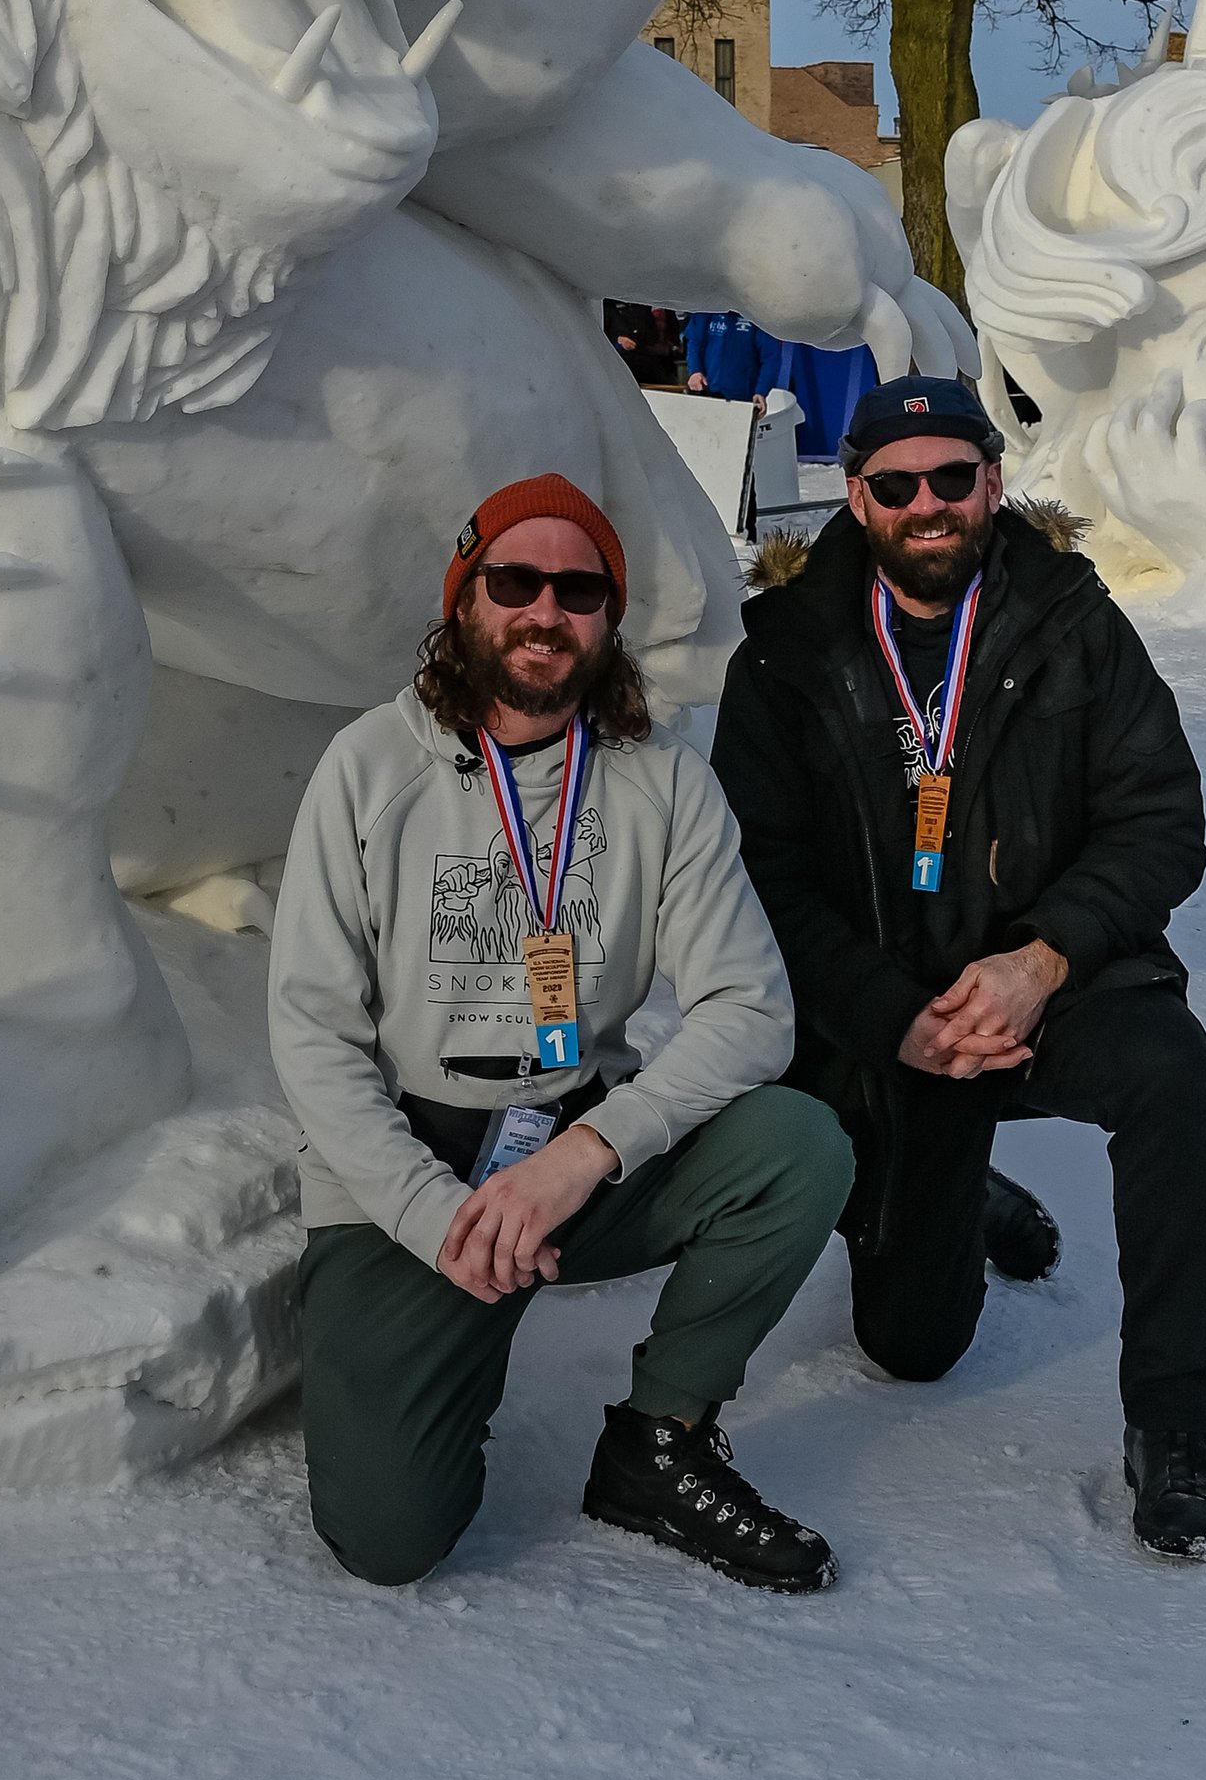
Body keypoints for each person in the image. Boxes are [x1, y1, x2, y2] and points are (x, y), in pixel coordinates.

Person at [270, 474, 853, 1594]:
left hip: (571, 1146)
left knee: (798, 1147)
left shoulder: (664, 780)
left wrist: (589, 1154)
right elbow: (312, 1034)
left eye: (579, 588)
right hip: (410, 1168)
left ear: (608, 617)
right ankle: (428, 1347)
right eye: (514, 581)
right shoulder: (366, 768)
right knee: (387, 1542)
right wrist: (437, 1217)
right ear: (464, 599)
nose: (546, 611)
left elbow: (750, 1008)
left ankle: (659, 1439)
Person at [711, 375, 1206, 1561]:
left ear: (993, 484)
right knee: (911, 1347)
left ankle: (1172, 1430)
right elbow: (765, 876)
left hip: (1050, 983)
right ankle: (956, 1186)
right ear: (854, 499)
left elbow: (1161, 821)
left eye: (953, 476)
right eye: (895, 485)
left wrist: (1044, 960)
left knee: (1172, 1084)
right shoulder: (785, 658)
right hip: (890, 1016)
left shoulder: (1073, 622)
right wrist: (891, 1018)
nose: (927, 504)